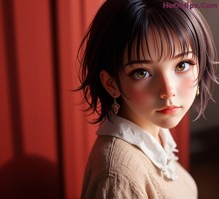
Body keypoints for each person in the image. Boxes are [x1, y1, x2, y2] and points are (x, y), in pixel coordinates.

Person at [77, 0, 218, 198]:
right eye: (142, 72)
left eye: (182, 65)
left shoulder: (154, 134)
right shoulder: (118, 178)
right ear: (111, 83)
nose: (168, 91)